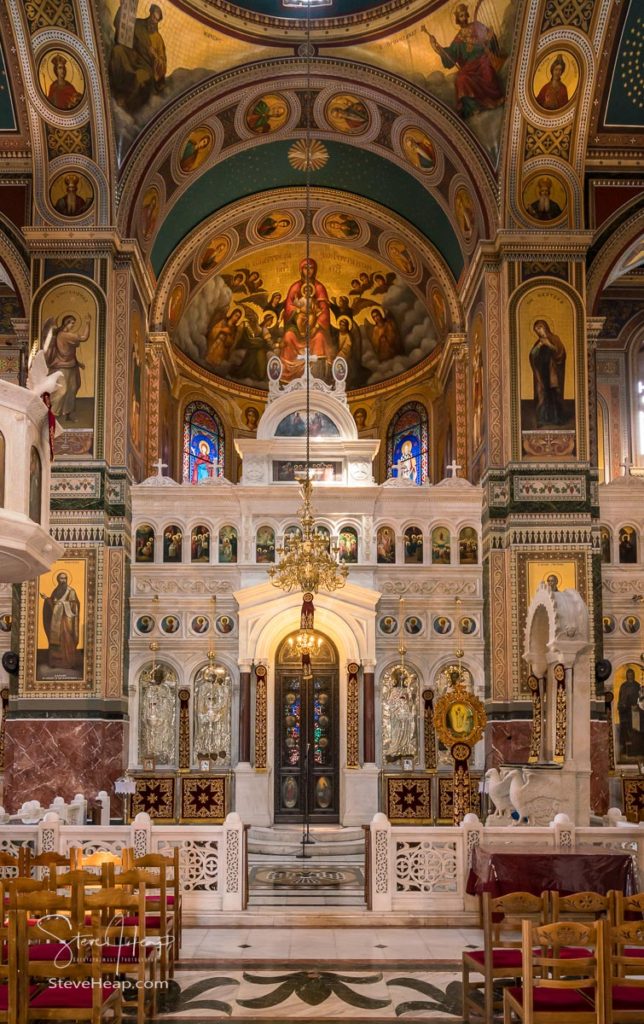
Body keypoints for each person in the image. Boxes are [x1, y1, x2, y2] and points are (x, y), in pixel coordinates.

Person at [424, 3, 505, 118]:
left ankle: (495, 99)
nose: (463, 18)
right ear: (458, 19)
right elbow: (450, 55)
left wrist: (489, 38)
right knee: (460, 79)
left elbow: (488, 38)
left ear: (467, 15)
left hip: (482, 59)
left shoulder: (476, 25)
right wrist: (436, 47)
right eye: (460, 16)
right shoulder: (459, 38)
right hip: (469, 66)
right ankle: (473, 108)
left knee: (486, 68)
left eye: (464, 15)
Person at [109, 3, 167, 114]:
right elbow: (121, 25)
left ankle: (126, 101)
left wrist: (154, 55)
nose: (153, 21)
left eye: (156, 20)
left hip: (146, 66)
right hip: (133, 55)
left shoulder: (158, 39)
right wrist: (123, 9)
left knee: (140, 76)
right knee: (118, 50)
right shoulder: (138, 24)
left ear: (159, 22)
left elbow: (162, 64)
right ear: (149, 13)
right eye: (153, 17)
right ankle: (113, 88)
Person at [280, 258, 331, 382]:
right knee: (288, 337)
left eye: (311, 268)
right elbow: (288, 307)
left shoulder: (319, 287)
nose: (308, 271)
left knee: (320, 338)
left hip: (314, 327)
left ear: (315, 270)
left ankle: (318, 378)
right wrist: (298, 311)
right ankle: (288, 378)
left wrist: (315, 327)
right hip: (296, 327)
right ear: (301, 270)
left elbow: (324, 311)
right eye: (305, 268)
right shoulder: (295, 287)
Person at [44, 314, 90, 421]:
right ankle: (50, 413)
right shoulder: (64, 335)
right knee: (62, 390)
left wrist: (78, 363)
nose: (73, 325)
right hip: (61, 367)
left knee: (72, 389)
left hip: (72, 366)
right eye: (72, 323)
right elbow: (84, 337)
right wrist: (88, 323)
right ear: (66, 323)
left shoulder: (65, 335)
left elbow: (70, 353)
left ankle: (68, 412)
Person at [529, 319, 567, 428]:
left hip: (552, 372)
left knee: (554, 394)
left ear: (545, 327)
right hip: (542, 372)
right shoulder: (538, 342)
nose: (538, 331)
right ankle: (542, 419)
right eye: (536, 330)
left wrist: (549, 344)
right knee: (542, 394)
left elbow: (561, 353)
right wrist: (538, 347)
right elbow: (532, 356)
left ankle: (557, 418)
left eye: (539, 328)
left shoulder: (555, 339)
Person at [41, 571, 80, 670]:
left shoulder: (71, 591)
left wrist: (63, 604)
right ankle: (55, 662)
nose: (63, 580)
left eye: (65, 578)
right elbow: (52, 604)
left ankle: (69, 662)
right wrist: (47, 599)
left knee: (67, 639)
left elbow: (75, 605)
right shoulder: (56, 590)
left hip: (66, 620)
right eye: (61, 578)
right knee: (56, 639)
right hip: (56, 620)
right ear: (58, 580)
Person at [618, 668, 644, 759]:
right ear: (626, 675)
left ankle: (636, 749)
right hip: (625, 713)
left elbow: (641, 699)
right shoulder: (623, 686)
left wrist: (637, 706)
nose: (630, 675)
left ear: (633, 675)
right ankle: (626, 749)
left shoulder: (637, 686)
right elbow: (620, 699)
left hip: (635, 712)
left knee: (635, 730)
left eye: (631, 674)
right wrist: (622, 706)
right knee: (626, 730)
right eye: (628, 674)